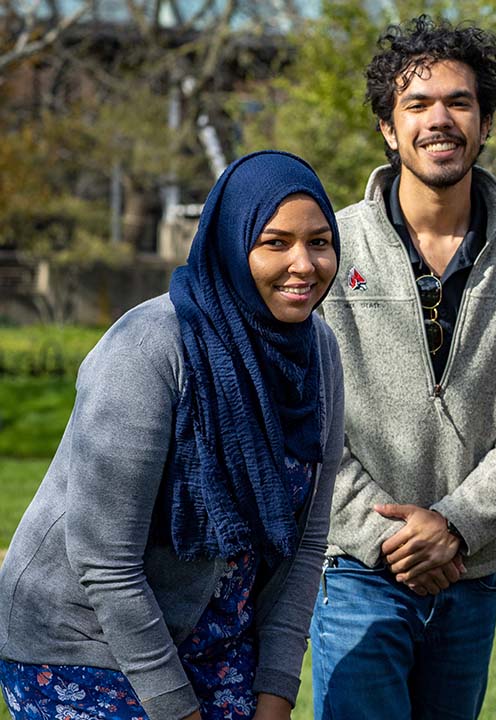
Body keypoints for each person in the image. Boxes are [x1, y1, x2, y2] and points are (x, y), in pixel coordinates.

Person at [0, 150, 345, 720]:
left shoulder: (319, 354)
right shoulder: (149, 347)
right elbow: (105, 562)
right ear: (233, 245)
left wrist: (276, 694)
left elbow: (306, 545)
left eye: (319, 241)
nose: (304, 264)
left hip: (218, 643)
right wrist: (177, 710)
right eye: (276, 242)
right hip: (79, 642)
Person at [309, 15, 496, 720]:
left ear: (485, 123)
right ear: (388, 129)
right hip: (355, 571)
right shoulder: (330, 245)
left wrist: (456, 525)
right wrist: (391, 539)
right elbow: (303, 408)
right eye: (417, 104)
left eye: (459, 102)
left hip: (470, 574)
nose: (440, 120)